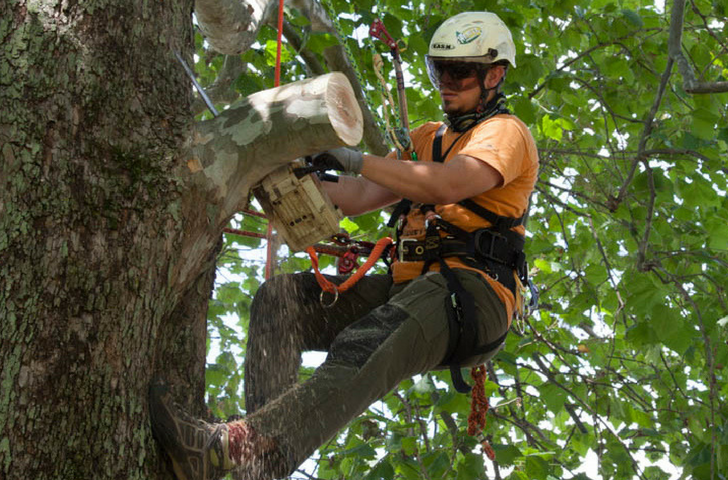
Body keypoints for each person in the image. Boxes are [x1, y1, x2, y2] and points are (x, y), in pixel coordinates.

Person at [148, 11, 538, 480]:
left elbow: (446, 186)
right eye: (440, 70)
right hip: (408, 290)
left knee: (365, 344)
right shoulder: (426, 139)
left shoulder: (504, 133)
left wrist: (356, 157)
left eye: (461, 72)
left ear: (495, 74)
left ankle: (224, 449)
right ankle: (261, 461)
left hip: (470, 294)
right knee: (282, 301)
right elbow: (357, 196)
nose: (447, 83)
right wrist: (276, 177)